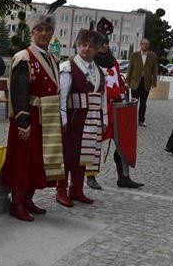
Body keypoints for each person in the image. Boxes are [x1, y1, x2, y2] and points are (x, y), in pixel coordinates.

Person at [0, 0, 67, 221]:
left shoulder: (51, 58)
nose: (44, 34)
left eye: (47, 30)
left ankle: (28, 198)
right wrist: (22, 120)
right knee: (22, 161)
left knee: (38, 161)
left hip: (46, 118)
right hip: (28, 117)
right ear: (32, 32)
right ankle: (16, 203)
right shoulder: (24, 57)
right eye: (39, 29)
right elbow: (18, 92)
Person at [56, 28, 107, 205]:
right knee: (67, 155)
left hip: (92, 119)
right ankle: (61, 190)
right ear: (78, 46)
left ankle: (77, 189)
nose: (86, 49)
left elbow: (103, 97)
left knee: (85, 155)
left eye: (91, 46)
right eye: (83, 45)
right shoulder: (68, 68)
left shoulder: (100, 71)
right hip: (73, 118)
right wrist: (62, 119)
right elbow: (62, 96)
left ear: (97, 49)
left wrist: (104, 119)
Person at [89, 20, 143, 189]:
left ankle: (124, 177)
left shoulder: (114, 63)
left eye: (106, 43)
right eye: (101, 43)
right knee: (95, 143)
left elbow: (119, 83)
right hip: (98, 110)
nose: (104, 46)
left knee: (122, 142)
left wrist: (125, 97)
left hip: (116, 110)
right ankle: (90, 177)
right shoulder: (90, 62)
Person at [126, 38, 158, 127]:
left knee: (143, 103)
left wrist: (154, 82)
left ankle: (141, 120)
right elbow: (130, 68)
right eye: (143, 43)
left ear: (148, 45)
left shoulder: (153, 56)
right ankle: (132, 119)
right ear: (140, 44)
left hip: (146, 82)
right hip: (135, 82)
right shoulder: (134, 55)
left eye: (147, 44)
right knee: (133, 102)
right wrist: (127, 81)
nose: (145, 45)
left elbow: (155, 70)